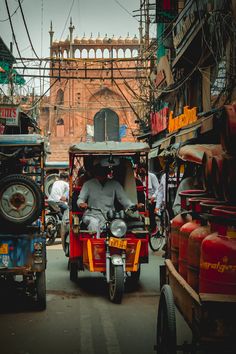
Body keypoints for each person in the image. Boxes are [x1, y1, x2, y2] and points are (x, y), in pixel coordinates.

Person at [77, 163, 144, 238]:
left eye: (103, 172)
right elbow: (81, 199)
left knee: (120, 226)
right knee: (94, 223)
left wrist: (134, 206)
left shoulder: (114, 184)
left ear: (107, 173)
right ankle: (96, 246)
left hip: (110, 216)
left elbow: (124, 199)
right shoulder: (88, 184)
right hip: (91, 215)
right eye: (99, 172)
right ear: (95, 173)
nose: (101, 175)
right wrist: (81, 204)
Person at [136, 164, 159, 234]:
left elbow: (158, 188)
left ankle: (153, 227)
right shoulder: (137, 177)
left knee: (150, 212)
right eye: (140, 168)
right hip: (141, 199)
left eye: (143, 168)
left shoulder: (152, 176)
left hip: (151, 199)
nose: (141, 170)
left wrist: (153, 196)